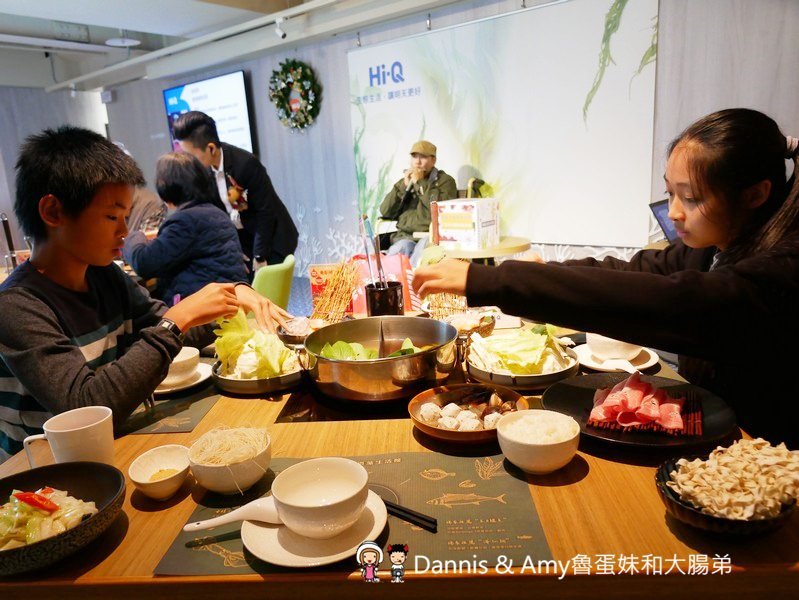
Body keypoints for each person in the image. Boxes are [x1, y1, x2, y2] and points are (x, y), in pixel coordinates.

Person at [413, 108, 799, 449]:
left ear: (755, 195)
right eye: (670, 194)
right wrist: (543, 271)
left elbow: (676, 300)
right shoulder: (717, 242)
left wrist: (490, 282)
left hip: (764, 457)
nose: (675, 213)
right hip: (712, 432)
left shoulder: (783, 267)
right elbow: (641, 271)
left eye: (692, 197)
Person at [0, 126, 288, 462]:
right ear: (53, 212)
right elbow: (86, 406)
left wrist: (230, 300)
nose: (124, 231)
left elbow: (173, 332)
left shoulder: (105, 276)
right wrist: (176, 319)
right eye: (112, 217)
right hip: (43, 481)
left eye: (125, 216)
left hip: (112, 452)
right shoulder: (17, 306)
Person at [173, 111, 298, 272]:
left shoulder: (245, 164)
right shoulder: (202, 172)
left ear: (211, 148)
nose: (189, 162)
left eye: (191, 156)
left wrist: (260, 256)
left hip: (271, 237)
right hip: (243, 240)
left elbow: (265, 212)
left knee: (265, 292)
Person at [123, 152, 249, 305]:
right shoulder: (217, 214)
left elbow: (143, 262)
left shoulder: (185, 222)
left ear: (165, 185)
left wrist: (134, 235)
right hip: (229, 307)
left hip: (205, 316)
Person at [380, 140, 457, 267]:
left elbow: (439, 210)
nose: (417, 161)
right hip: (404, 236)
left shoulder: (445, 181)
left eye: (423, 157)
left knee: (421, 254)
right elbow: (385, 210)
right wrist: (402, 187)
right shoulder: (406, 181)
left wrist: (420, 183)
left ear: (433, 160)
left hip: (429, 236)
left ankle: (413, 283)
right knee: (398, 252)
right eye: (414, 156)